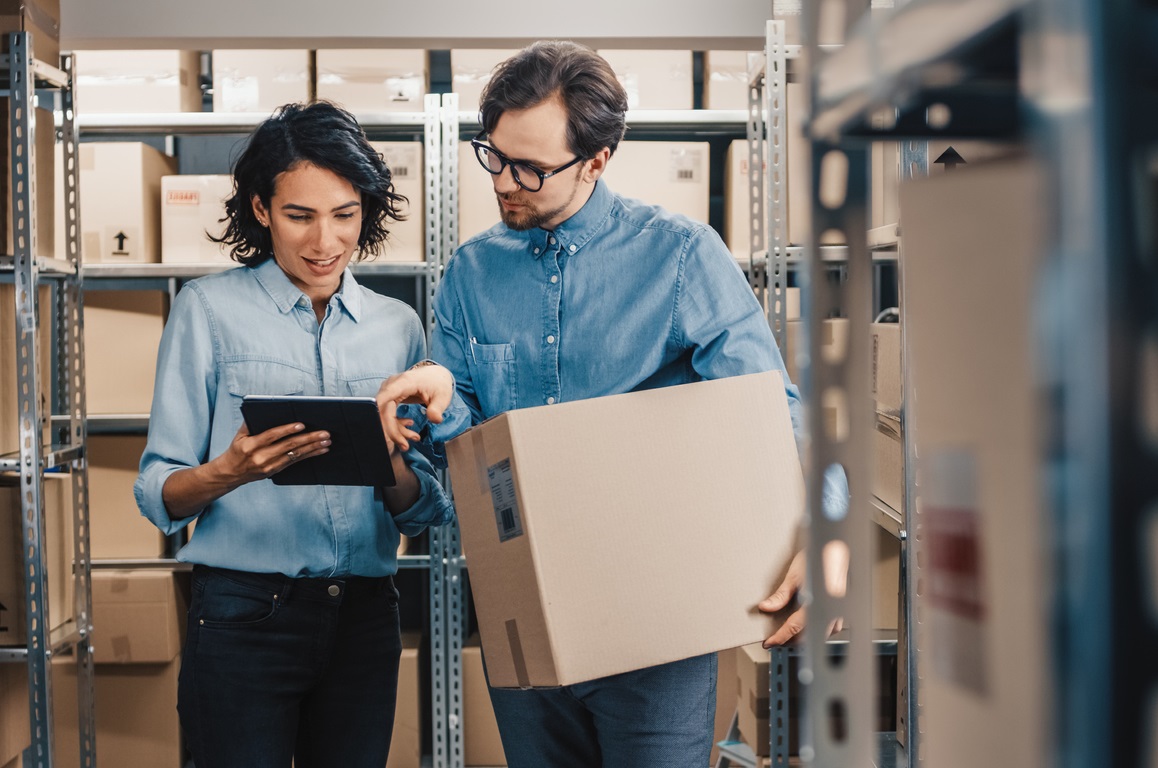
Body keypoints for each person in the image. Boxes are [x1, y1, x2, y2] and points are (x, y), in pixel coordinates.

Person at [374, 41, 819, 768]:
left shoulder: (678, 256)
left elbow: (771, 412)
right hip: (525, 617)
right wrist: (440, 410)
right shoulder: (471, 273)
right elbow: (465, 471)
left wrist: (822, 522)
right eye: (494, 156)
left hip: (658, 626)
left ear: (598, 160)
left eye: (532, 169)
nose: (505, 184)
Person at [133, 101, 454, 768]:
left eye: (344, 215)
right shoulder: (208, 311)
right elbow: (158, 493)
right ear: (259, 209)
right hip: (244, 614)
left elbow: (422, 511)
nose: (324, 243)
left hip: (365, 617)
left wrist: (392, 458)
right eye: (299, 216)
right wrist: (233, 469)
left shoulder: (397, 327)